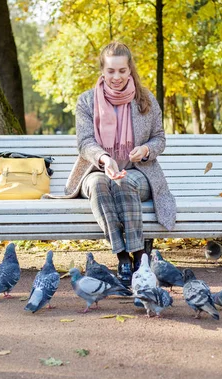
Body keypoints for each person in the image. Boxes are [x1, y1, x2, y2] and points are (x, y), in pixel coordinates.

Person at [62, 41, 176, 287]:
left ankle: (138, 255)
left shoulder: (144, 99)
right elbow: (84, 143)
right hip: (97, 169)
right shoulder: (86, 101)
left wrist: (146, 149)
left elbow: (160, 139)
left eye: (122, 71)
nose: (116, 77)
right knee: (98, 185)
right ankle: (123, 257)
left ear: (129, 69)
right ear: (102, 70)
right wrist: (104, 158)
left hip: (139, 172)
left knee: (123, 182)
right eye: (111, 71)